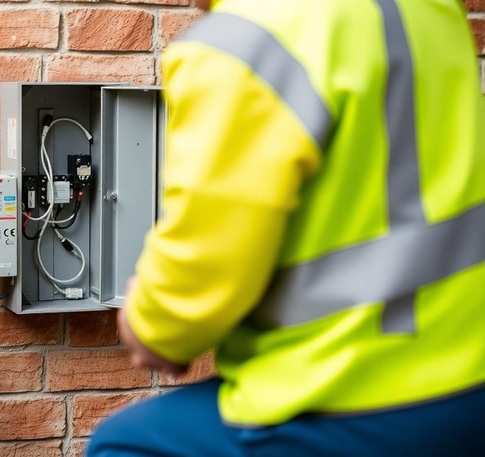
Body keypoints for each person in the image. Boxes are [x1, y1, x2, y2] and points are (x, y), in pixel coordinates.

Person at [87, 0, 485, 455]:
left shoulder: (246, 39)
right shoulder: (428, 8)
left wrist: (152, 324)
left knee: (122, 443)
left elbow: (205, 262)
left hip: (358, 397)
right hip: (472, 381)